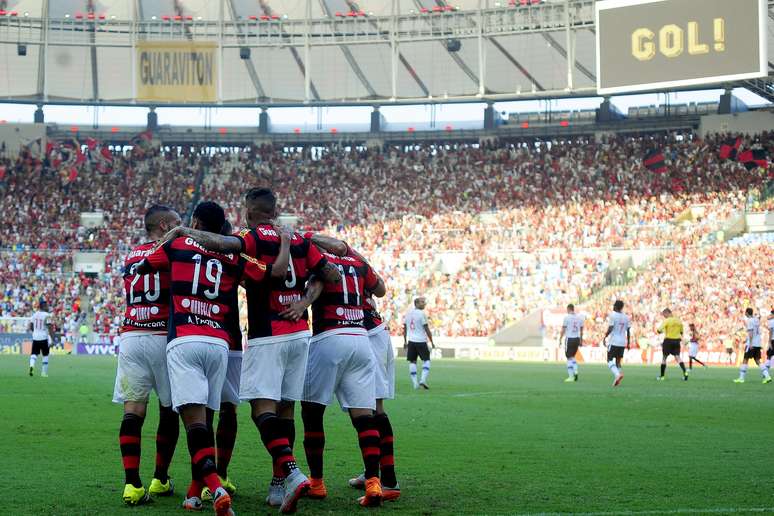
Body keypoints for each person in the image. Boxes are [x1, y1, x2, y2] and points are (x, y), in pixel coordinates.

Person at [163, 188, 340, 508]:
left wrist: (184, 231)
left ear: (251, 211)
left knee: (262, 411)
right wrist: (304, 302)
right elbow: (331, 274)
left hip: (268, 334)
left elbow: (222, 244)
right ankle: (277, 485)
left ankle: (291, 474)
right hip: (300, 333)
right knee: (286, 410)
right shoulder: (299, 239)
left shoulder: (251, 236)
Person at [132, 201, 286, 516]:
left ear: (196, 223)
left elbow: (144, 267)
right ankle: (197, 490)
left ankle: (214, 486)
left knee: (195, 423)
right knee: (215, 416)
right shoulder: (234, 254)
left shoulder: (177, 244)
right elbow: (269, 274)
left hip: (186, 339)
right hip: (222, 342)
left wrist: (172, 241)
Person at [303, 233, 401, 501]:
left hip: (361, 332)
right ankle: (374, 478)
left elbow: (377, 289)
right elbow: (379, 288)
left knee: (372, 410)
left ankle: (387, 479)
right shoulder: (356, 262)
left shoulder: (323, 261)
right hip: (364, 334)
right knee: (366, 412)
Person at [114, 205, 182, 506]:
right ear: (164, 225)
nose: (182, 227)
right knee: (170, 410)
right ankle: (160, 478)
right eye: (177, 222)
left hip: (131, 336)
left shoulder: (132, 255)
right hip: (161, 335)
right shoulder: (172, 250)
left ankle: (132, 485)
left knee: (133, 410)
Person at [733, 308, 771, 384]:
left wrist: (750, 343)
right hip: (757, 343)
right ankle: (767, 376)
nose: (745, 314)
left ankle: (741, 378)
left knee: (745, 360)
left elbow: (751, 333)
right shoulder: (756, 320)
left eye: (745, 312)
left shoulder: (749, 321)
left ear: (747, 313)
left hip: (751, 344)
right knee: (758, 360)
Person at [404, 297, 434, 389]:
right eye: (422, 302)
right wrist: (432, 341)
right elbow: (426, 328)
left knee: (412, 361)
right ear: (416, 303)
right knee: (426, 360)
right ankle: (423, 380)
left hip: (411, 341)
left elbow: (404, 328)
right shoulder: (422, 314)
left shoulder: (408, 313)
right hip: (421, 341)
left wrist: (405, 341)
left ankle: (415, 384)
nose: (424, 303)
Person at [602, 300, 630, 387]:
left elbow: (611, 328)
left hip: (614, 341)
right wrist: (628, 343)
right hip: (622, 342)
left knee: (609, 360)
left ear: (615, 306)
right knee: (618, 361)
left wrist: (605, 336)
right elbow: (628, 331)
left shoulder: (613, 315)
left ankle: (617, 375)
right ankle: (618, 377)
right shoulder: (626, 317)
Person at [656, 308, 688, 381]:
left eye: (664, 315)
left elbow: (658, 330)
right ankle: (685, 373)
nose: (664, 316)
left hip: (668, 340)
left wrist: (662, 331)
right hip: (677, 340)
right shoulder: (679, 321)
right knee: (678, 357)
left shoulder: (667, 321)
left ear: (667, 313)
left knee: (664, 358)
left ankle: (662, 376)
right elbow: (681, 332)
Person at [559, 304, 584, 382]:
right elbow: (581, 330)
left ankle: (571, 377)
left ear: (568, 309)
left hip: (569, 338)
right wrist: (581, 340)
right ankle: (575, 371)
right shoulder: (580, 318)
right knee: (572, 356)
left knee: (569, 357)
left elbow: (563, 329)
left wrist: (560, 339)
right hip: (577, 339)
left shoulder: (567, 317)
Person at [28, 299, 53, 377]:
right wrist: (51, 338)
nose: (48, 307)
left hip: (35, 337)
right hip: (43, 337)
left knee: (34, 354)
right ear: (44, 306)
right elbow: (50, 327)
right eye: (47, 306)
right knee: (45, 355)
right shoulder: (47, 315)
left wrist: (35, 332)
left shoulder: (34, 314)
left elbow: (30, 326)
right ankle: (44, 373)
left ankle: (32, 366)